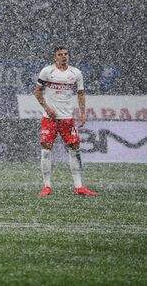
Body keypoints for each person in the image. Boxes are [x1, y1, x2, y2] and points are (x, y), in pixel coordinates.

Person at [34, 47, 98, 196]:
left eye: (66, 54)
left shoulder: (75, 73)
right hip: (49, 119)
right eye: (60, 55)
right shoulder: (47, 72)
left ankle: (79, 187)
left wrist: (83, 113)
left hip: (67, 120)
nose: (64, 57)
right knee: (45, 151)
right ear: (54, 57)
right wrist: (47, 108)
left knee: (75, 150)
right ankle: (47, 186)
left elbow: (81, 94)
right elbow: (37, 92)